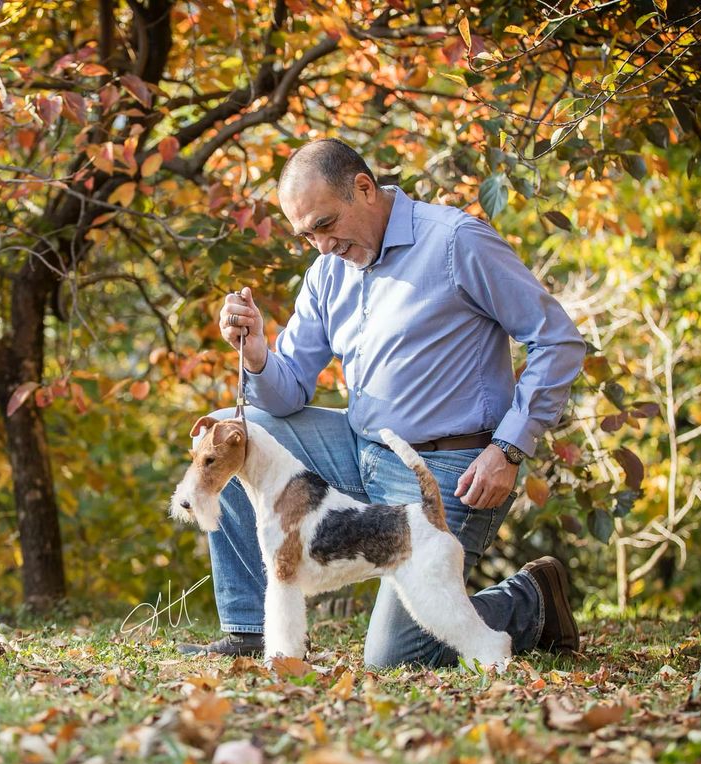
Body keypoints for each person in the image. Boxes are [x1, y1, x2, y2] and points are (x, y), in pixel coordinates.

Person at [177, 139, 587, 667]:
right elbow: (288, 392)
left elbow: (557, 340)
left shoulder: (456, 241)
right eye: (307, 235)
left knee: (394, 656)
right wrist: (256, 350)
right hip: (357, 444)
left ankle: (531, 599)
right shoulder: (327, 272)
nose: (321, 246)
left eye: (326, 225)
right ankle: (254, 630)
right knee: (243, 431)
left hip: (451, 463)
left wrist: (508, 448)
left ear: (365, 189)